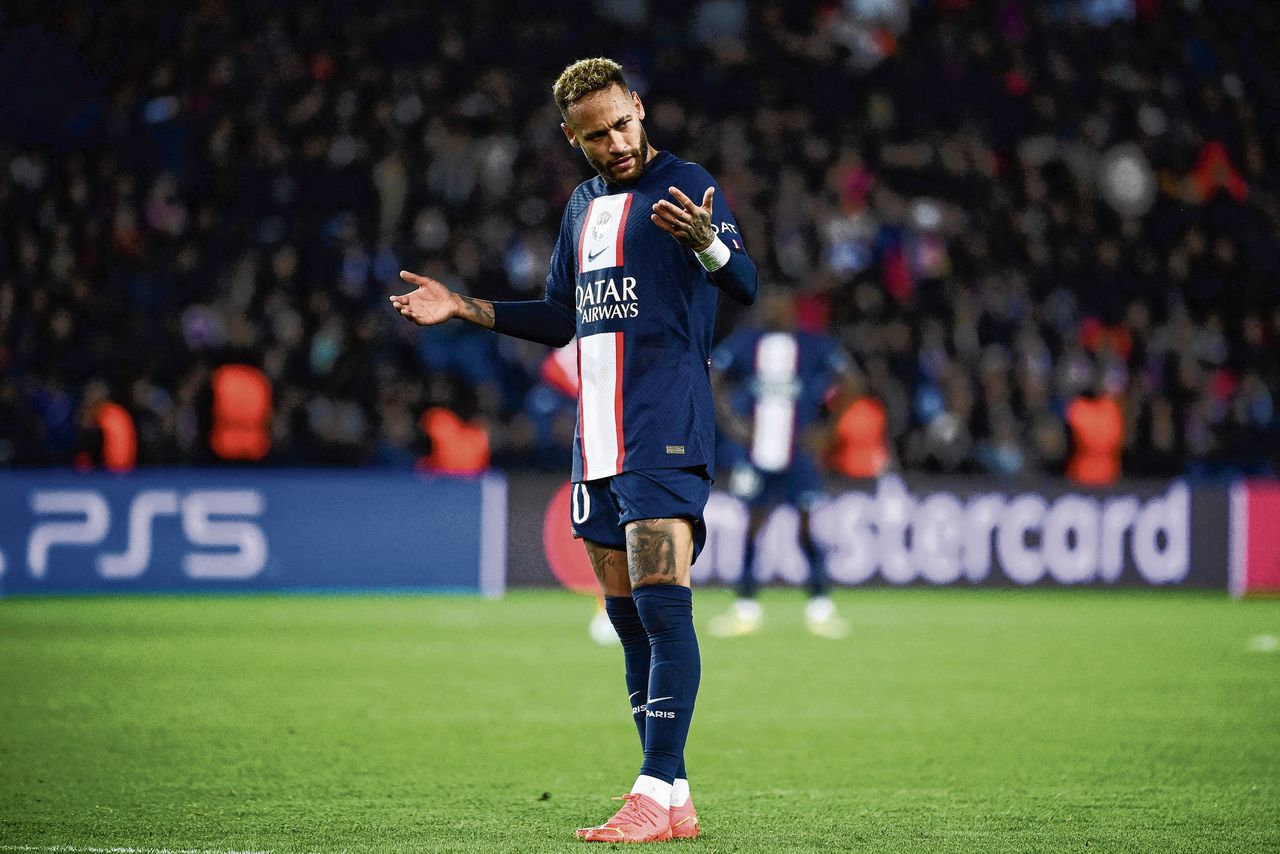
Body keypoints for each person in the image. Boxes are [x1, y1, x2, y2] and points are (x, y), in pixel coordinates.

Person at [390, 57, 757, 843]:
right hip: (598, 440)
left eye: (624, 123)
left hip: (666, 427)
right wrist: (464, 306)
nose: (617, 142)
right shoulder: (582, 207)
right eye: (596, 135)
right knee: (627, 622)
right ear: (572, 138)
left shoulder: (687, 184)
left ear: (639, 107)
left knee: (663, 608)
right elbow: (563, 315)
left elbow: (748, 285)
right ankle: (676, 795)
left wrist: (711, 249)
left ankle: (651, 789)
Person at [708, 292, 854, 639]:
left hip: (798, 453)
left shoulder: (812, 344)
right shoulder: (746, 343)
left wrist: (827, 430)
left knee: (806, 528)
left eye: (780, 303)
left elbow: (852, 381)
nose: (774, 309)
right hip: (756, 454)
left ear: (793, 308)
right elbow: (712, 378)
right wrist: (733, 424)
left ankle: (820, 607)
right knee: (752, 528)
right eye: (769, 304)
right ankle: (746, 607)